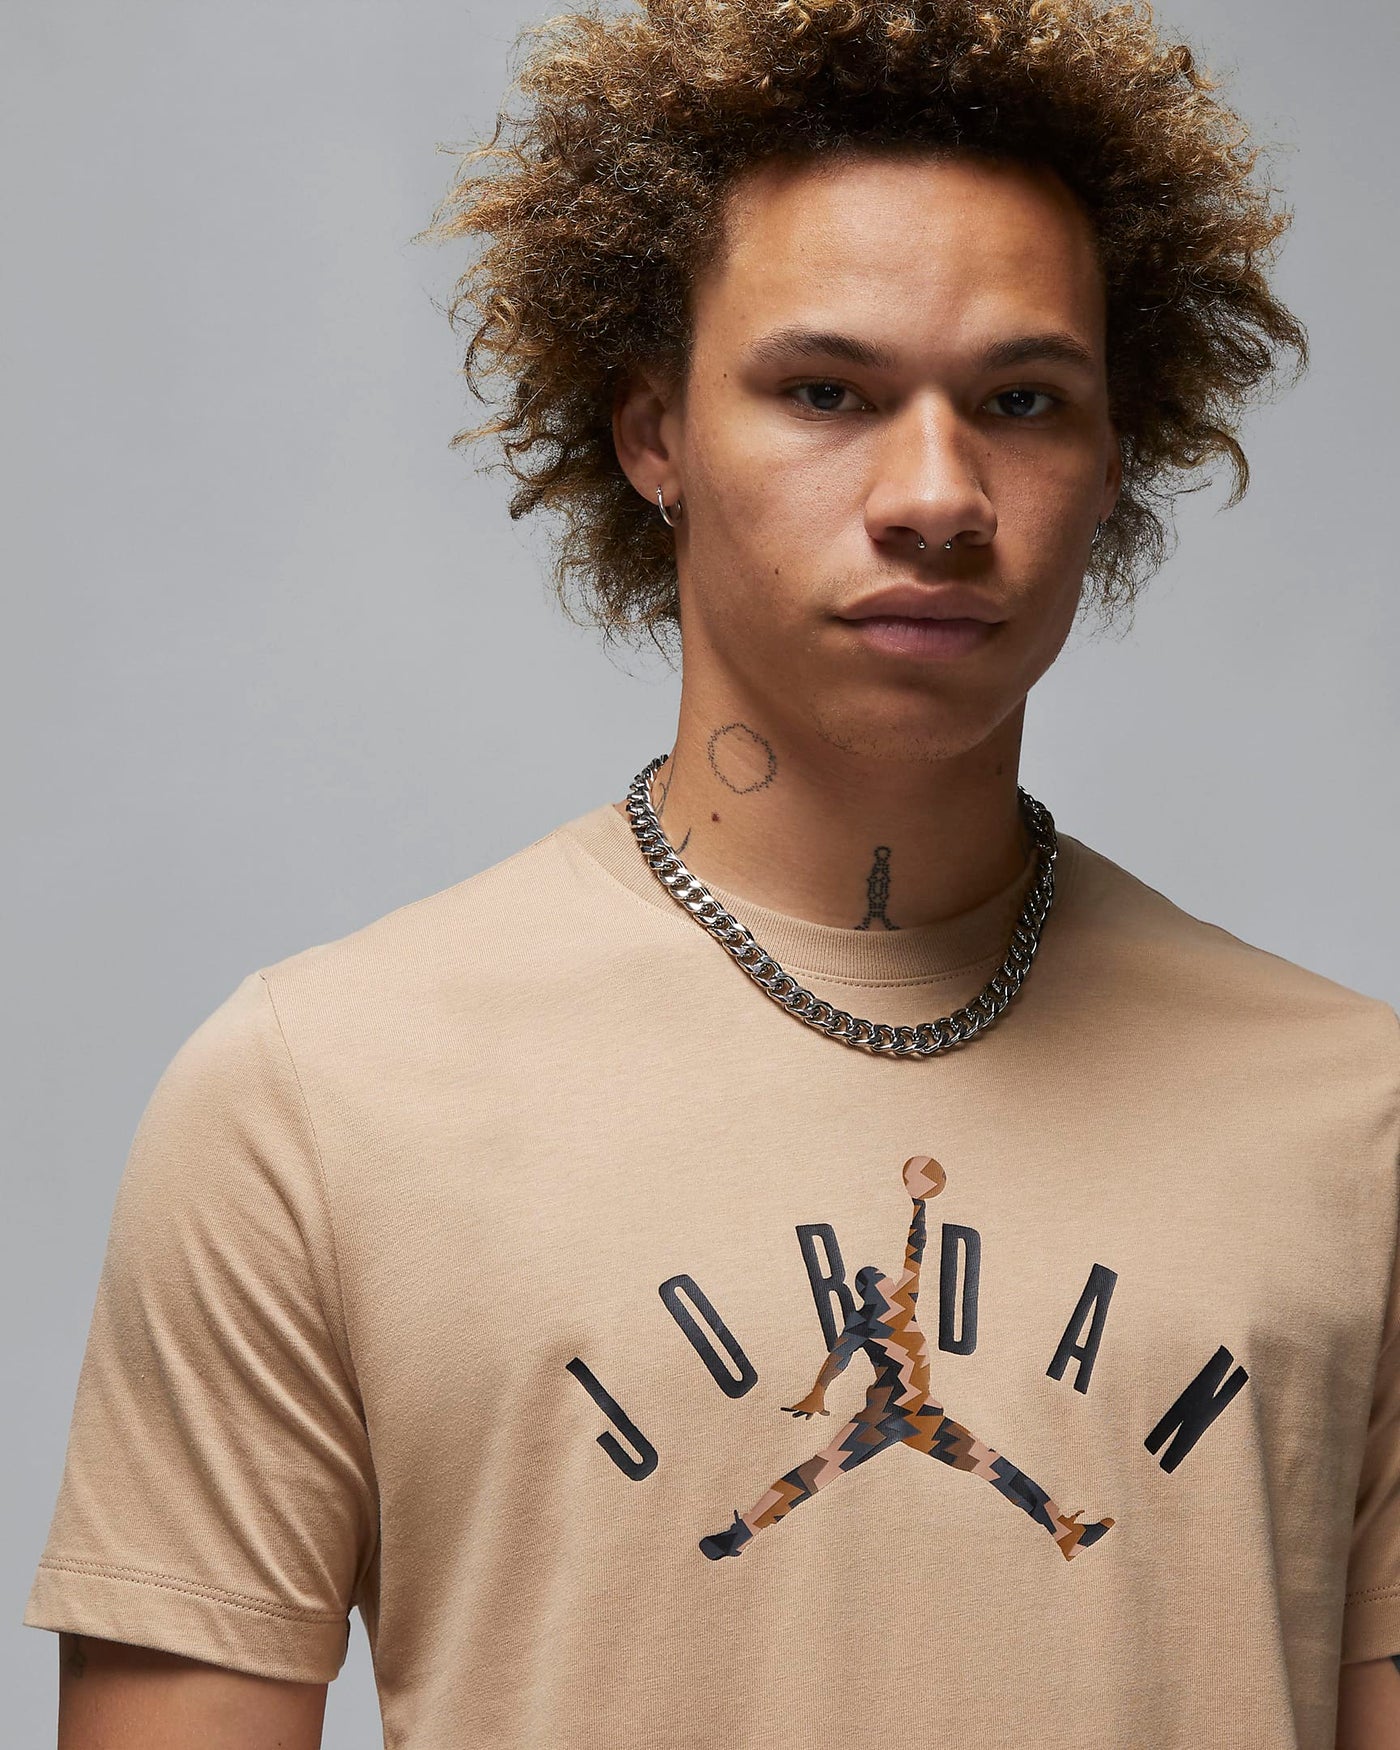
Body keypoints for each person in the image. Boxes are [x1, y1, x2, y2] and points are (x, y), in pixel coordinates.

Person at [22, 0, 1400, 1745]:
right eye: (826, 391)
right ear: (652, 432)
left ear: (1115, 455)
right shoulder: (312, 1100)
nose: (937, 494)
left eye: (1022, 400)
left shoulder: (1357, 1126)